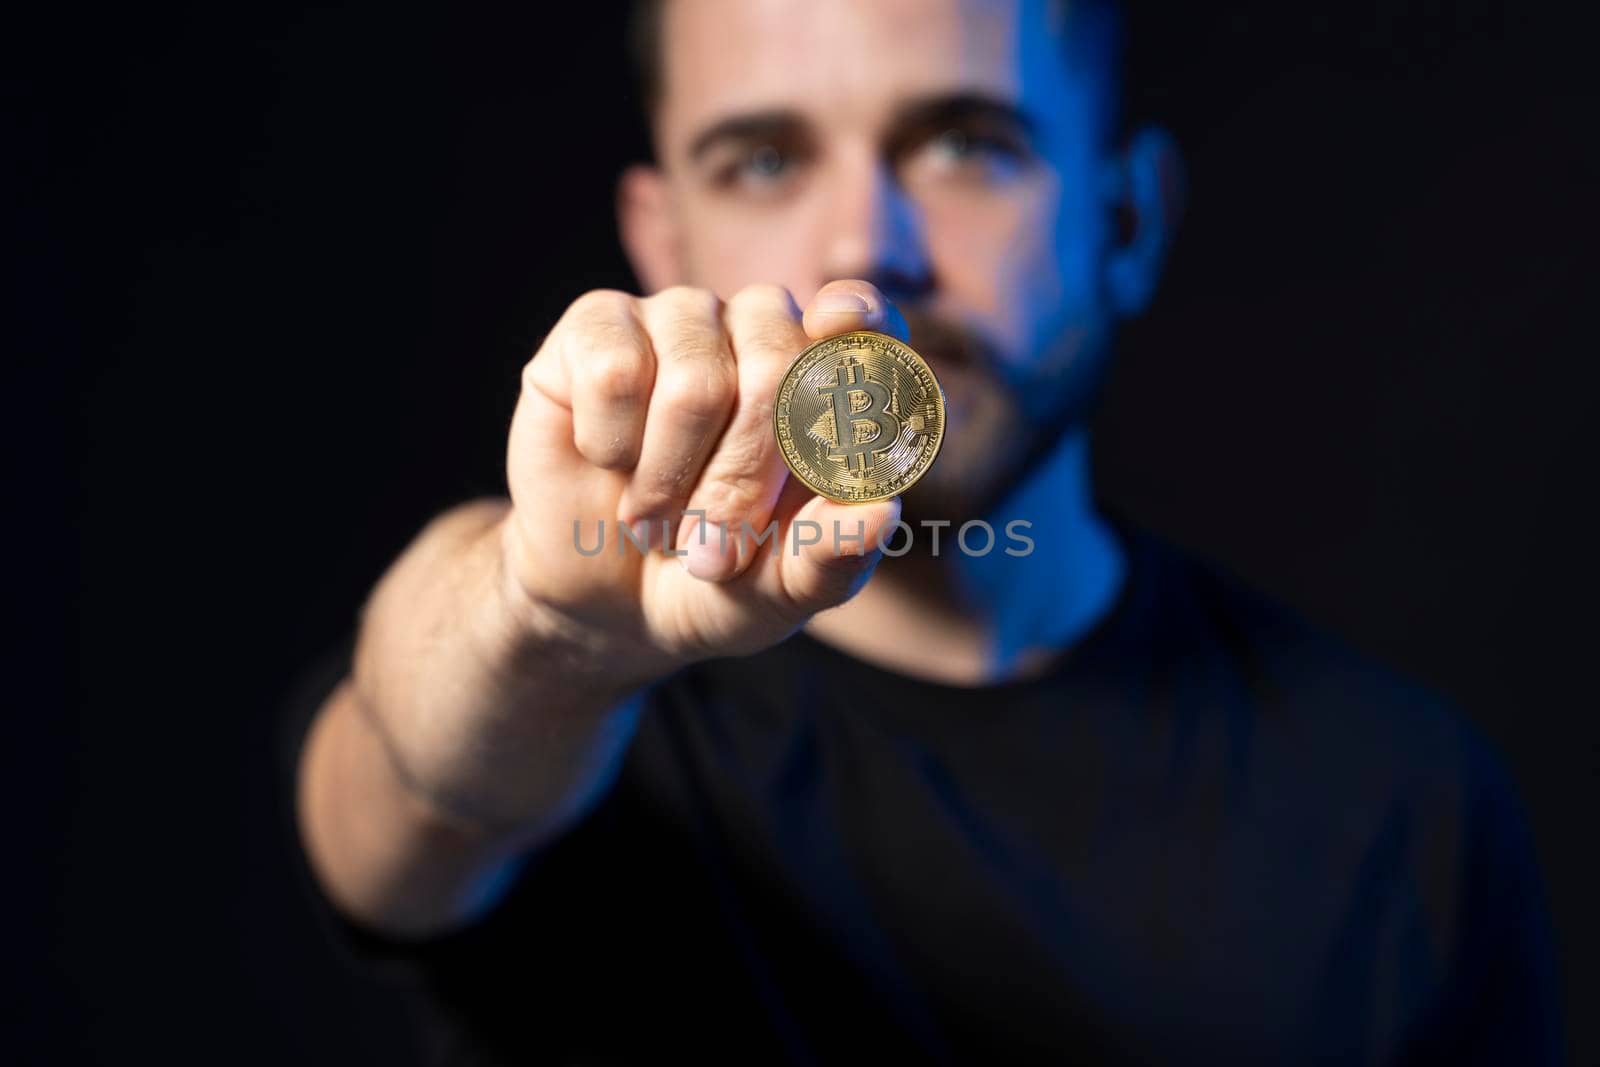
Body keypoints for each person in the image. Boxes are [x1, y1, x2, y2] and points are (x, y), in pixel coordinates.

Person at [290, 0, 1562, 1062]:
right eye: (765, 159)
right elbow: (412, 791)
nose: (868, 248)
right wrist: (544, 619)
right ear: (661, 237)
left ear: (1126, 220)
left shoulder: (1406, 803)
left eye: (966, 143)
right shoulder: (568, 703)